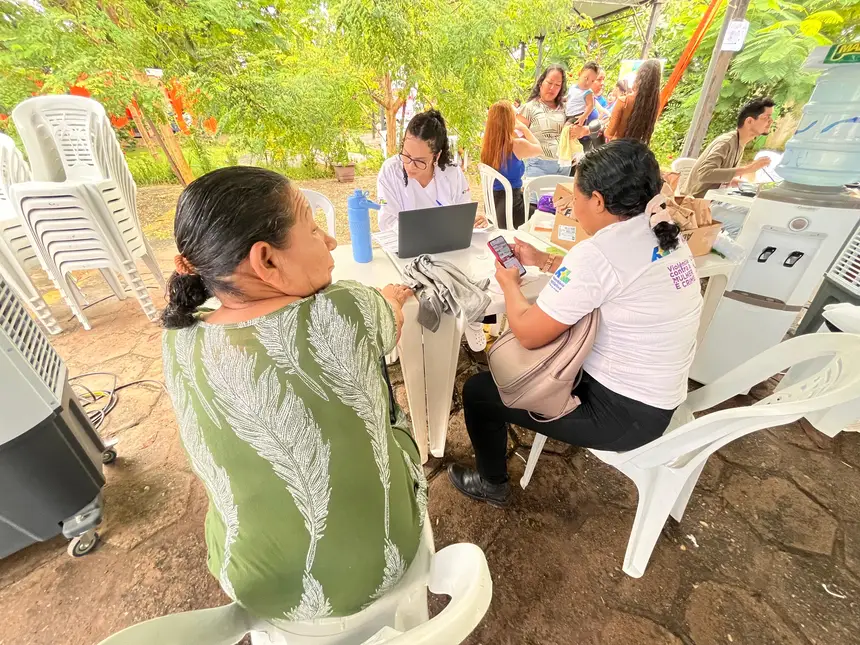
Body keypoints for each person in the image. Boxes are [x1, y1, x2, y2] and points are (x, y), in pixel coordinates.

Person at [161, 166, 426, 620]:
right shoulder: (349, 306)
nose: (331, 243)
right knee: (390, 414)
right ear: (267, 261)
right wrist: (394, 298)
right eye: (314, 227)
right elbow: (390, 328)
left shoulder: (176, 339)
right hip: (381, 562)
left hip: (253, 584)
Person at [446, 140, 703, 507]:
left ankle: (492, 484)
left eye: (576, 195)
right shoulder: (664, 232)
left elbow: (529, 333)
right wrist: (546, 261)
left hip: (622, 415)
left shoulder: (598, 254)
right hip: (658, 399)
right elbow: (608, 279)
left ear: (597, 200)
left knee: (480, 393)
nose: (571, 204)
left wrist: (509, 284)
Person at [377, 109, 475, 233]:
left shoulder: (452, 173)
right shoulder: (390, 171)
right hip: (405, 248)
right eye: (406, 155)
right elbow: (387, 221)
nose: (411, 166)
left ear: (437, 156)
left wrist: (472, 223)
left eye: (420, 161)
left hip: (448, 248)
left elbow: (463, 214)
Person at [682, 97, 775, 198]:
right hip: (694, 204)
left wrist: (739, 183)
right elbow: (704, 174)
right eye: (766, 118)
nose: (771, 122)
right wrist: (748, 169)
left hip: (711, 201)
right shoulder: (726, 142)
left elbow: (718, 177)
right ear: (749, 121)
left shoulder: (739, 143)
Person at [480, 100, 543, 229]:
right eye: (515, 116)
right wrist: (524, 129)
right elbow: (539, 149)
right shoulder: (517, 145)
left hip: (493, 207)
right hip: (512, 209)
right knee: (546, 214)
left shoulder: (488, 145)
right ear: (510, 120)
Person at [516, 64, 574, 180]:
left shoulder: (566, 108)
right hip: (538, 166)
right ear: (541, 83)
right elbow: (517, 136)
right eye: (549, 82)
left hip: (564, 166)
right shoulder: (529, 108)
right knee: (536, 198)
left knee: (560, 199)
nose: (552, 88)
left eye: (557, 85)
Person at [605, 59, 662, 144]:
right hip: (636, 151)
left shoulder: (624, 101)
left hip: (617, 148)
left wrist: (605, 127)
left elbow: (609, 133)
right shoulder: (654, 104)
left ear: (639, 77)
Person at [565, 62, 600, 127]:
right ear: (579, 74)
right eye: (586, 78)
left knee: (567, 129)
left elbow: (590, 105)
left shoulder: (588, 92)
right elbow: (569, 97)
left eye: (592, 81)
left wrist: (584, 116)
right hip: (568, 114)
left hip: (578, 116)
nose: (588, 83)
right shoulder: (573, 87)